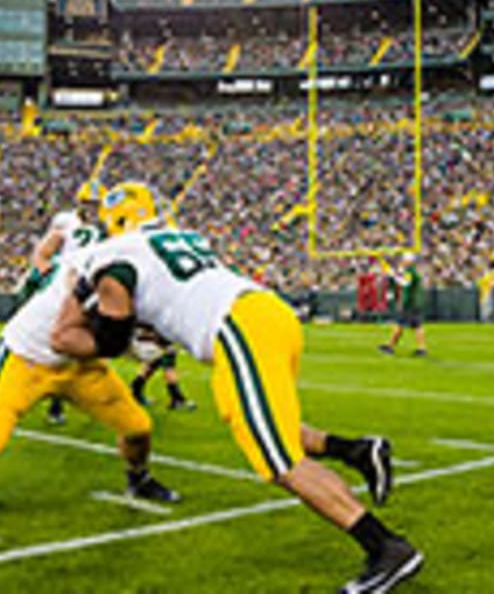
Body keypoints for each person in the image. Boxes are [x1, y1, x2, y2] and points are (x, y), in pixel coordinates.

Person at [51, 181, 417, 592]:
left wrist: (88, 309)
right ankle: (357, 450)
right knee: (258, 425)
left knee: (279, 461)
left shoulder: (112, 254)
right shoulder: (179, 235)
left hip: (238, 329)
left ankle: (386, 549)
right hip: (260, 316)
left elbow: (99, 333)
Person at [0, 232, 181, 538]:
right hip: (27, 359)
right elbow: (65, 337)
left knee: (137, 427)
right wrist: (127, 344)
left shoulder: (128, 270)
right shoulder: (96, 270)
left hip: (79, 367)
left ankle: (138, 479)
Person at [26, 180, 108, 426]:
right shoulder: (67, 222)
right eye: (88, 204)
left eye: (96, 204)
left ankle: (84, 398)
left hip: (88, 288)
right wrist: (48, 276)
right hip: (65, 287)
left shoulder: (106, 228)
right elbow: (43, 252)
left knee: (89, 345)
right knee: (62, 344)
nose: (92, 209)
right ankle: (54, 400)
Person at [378, 253, 427, 357]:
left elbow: (404, 283)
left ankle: (390, 346)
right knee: (417, 325)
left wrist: (393, 275)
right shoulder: (411, 271)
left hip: (411, 302)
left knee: (401, 324)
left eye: (404, 260)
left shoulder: (410, 272)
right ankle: (421, 348)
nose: (402, 262)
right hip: (415, 302)